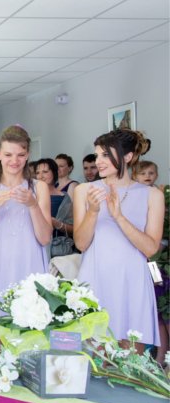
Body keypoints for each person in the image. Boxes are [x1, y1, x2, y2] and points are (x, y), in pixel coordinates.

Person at [74, 129, 164, 350]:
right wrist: (93, 212)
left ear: (127, 157)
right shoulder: (85, 190)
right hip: (95, 277)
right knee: (95, 356)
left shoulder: (153, 195)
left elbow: (151, 249)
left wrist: (118, 217)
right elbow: (81, 244)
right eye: (97, 156)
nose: (98, 162)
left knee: (131, 358)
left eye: (105, 155)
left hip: (132, 280)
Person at [0, 127, 51, 351]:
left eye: (20, 154)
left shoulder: (39, 188)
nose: (14, 160)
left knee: (32, 333)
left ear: (27, 155)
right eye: (8, 155)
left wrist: (33, 204)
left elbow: (45, 238)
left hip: (30, 265)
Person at [34, 158, 75, 257]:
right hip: (34, 247)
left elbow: (73, 229)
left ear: (54, 173)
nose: (40, 176)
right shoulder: (30, 196)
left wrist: (58, 224)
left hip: (56, 250)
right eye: (37, 172)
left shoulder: (64, 198)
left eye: (45, 172)